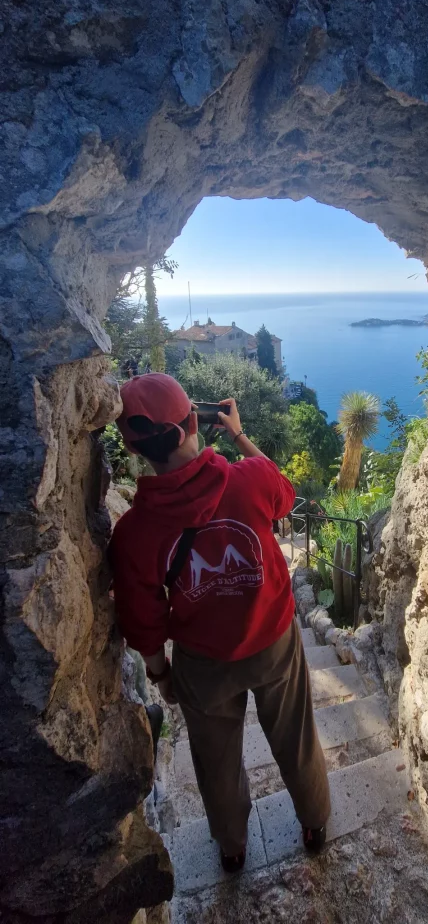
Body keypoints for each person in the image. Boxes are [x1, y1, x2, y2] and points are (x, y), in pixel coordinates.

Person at [108, 373, 331, 872]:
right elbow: (285, 496)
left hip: (203, 663)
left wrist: (162, 675)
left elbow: (142, 619)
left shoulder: (134, 533)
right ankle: (315, 820)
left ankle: (231, 847)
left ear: (134, 448)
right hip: (274, 640)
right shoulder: (247, 478)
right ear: (195, 422)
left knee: (216, 762)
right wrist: (238, 435)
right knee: (296, 738)